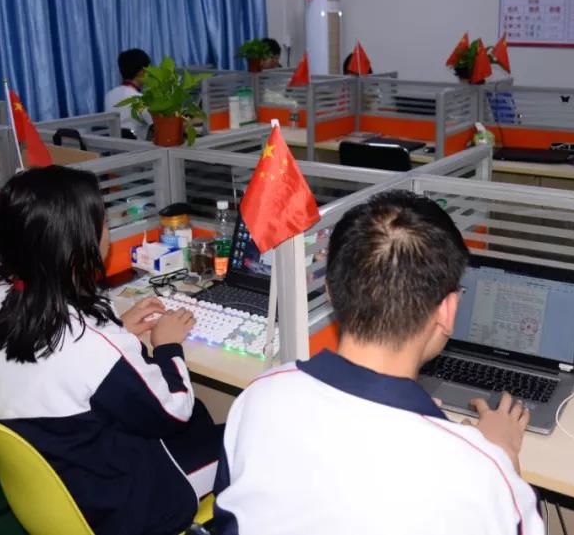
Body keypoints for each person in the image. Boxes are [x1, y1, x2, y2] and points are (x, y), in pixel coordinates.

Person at [213, 190, 542, 535]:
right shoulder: (481, 473)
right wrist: (503, 455)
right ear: (448, 311)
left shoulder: (258, 396)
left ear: (330, 292)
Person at [0, 166, 222, 535]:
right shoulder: (90, 345)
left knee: (201, 416)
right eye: (103, 223)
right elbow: (175, 410)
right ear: (79, 244)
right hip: (130, 503)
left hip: (66, 480)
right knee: (245, 436)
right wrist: (167, 346)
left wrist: (117, 332)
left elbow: (60, 363)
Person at [105, 48, 153, 139]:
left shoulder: (109, 95)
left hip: (113, 146)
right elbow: (157, 125)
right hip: (137, 146)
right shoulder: (139, 99)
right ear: (142, 72)